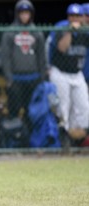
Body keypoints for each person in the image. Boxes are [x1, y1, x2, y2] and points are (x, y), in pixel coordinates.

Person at [1, 0, 46, 133]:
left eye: (27, 13)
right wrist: (9, 78)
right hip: (16, 79)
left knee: (31, 111)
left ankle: (31, 139)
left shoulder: (37, 32)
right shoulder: (10, 32)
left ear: (31, 14)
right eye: (22, 13)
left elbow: (41, 57)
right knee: (14, 111)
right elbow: (6, 57)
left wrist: (42, 78)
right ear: (17, 14)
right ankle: (15, 139)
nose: (24, 16)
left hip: (33, 78)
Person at [48, 3, 89, 142]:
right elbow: (62, 48)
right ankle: (64, 144)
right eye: (72, 16)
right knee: (63, 109)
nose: (75, 19)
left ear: (83, 17)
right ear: (68, 17)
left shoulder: (85, 30)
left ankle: (78, 141)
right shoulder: (61, 27)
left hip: (77, 74)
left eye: (78, 16)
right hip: (61, 73)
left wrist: (83, 28)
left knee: (84, 108)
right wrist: (70, 31)